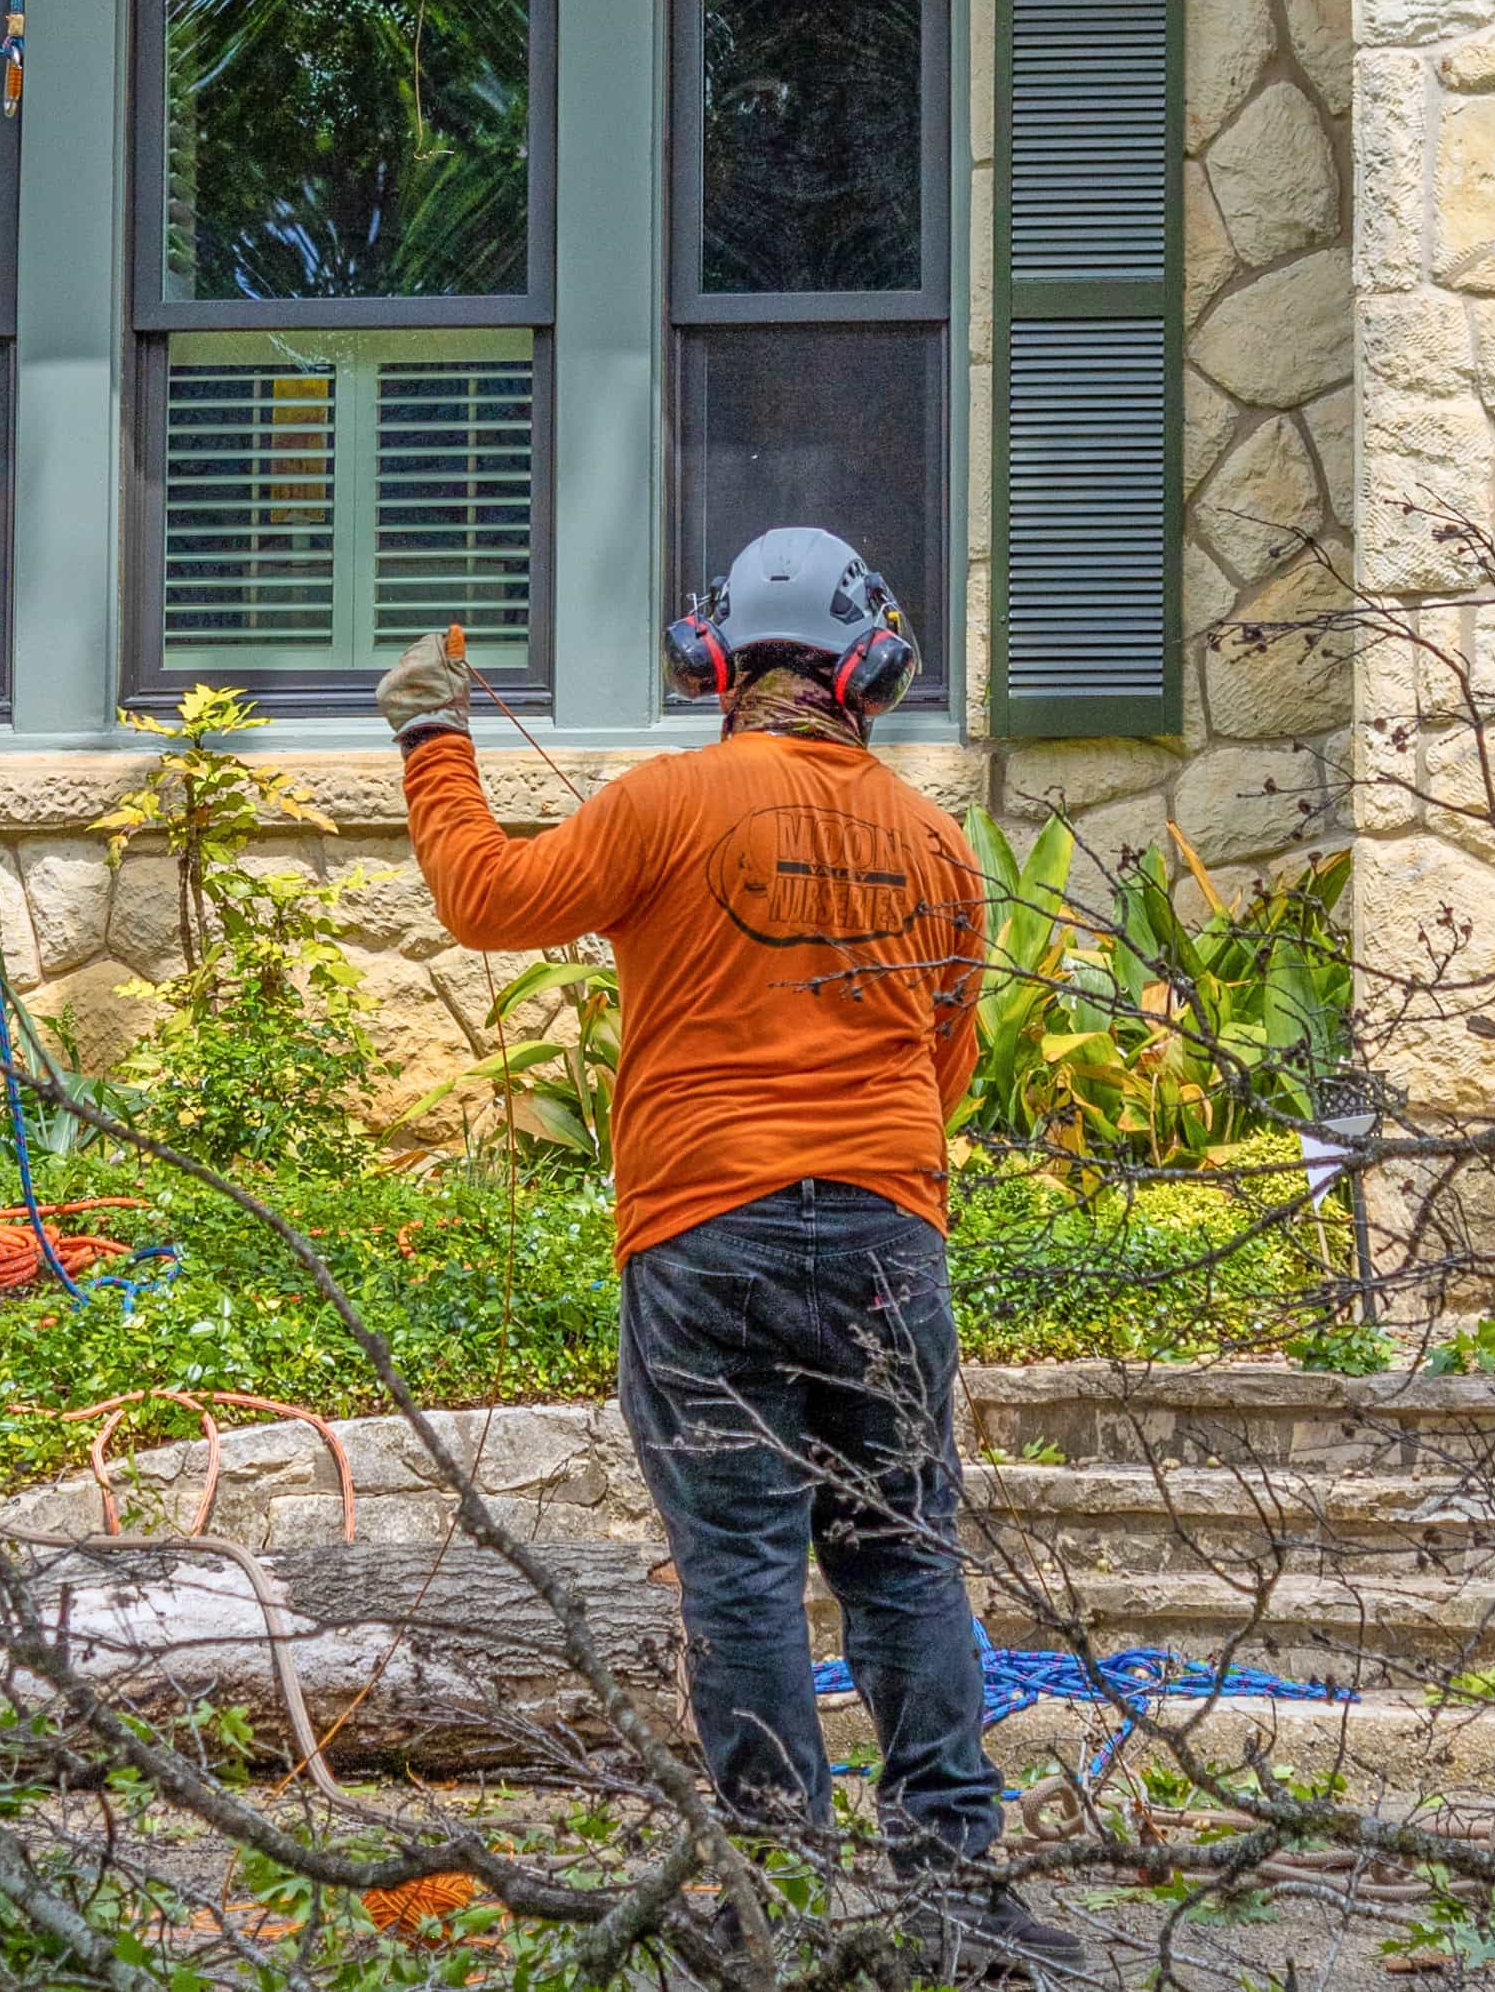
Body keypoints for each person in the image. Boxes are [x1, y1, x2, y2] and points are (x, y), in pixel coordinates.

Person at [376, 532, 1083, 1982]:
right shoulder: (936, 843)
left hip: (704, 1229)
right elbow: (939, 1066)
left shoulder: (663, 799)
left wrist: (433, 733)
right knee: (899, 1555)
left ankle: (775, 1887)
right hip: (889, 1233)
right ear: (869, 674)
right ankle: (952, 1881)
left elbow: (484, 901)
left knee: (744, 1573)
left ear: (714, 664)